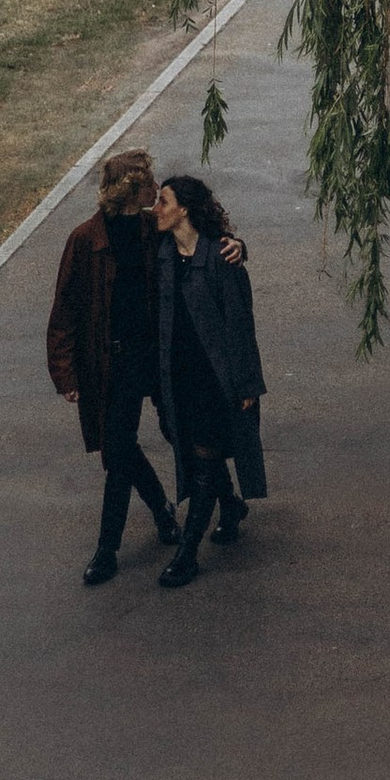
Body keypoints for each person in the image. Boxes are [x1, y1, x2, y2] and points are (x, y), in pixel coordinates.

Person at [44, 151, 245, 587]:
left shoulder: (151, 230)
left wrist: (239, 246)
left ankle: (226, 502)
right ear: (130, 189)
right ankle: (113, 544)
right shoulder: (85, 240)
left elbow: (201, 241)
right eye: (149, 183)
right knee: (117, 452)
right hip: (114, 363)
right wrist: (66, 374)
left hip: (159, 357)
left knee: (182, 435)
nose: (157, 191)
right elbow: (64, 311)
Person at [152, 169, 268, 586]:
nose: (156, 210)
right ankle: (231, 507)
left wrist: (247, 385)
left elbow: (241, 324)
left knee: (202, 458)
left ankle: (188, 553)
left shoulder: (220, 256)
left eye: (162, 202)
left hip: (215, 382)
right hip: (176, 380)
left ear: (183, 208)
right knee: (194, 447)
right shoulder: (161, 253)